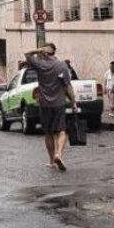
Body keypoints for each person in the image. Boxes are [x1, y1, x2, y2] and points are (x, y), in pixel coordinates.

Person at [23, 43, 80, 171]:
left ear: (43, 53)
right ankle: (58, 154)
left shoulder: (40, 64)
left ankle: (51, 161)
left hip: (44, 104)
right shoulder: (62, 65)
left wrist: (38, 50)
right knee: (62, 130)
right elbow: (67, 86)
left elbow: (26, 54)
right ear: (55, 52)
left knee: (48, 132)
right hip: (59, 103)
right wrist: (73, 102)